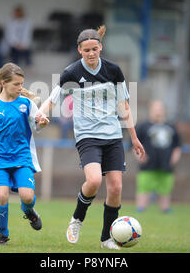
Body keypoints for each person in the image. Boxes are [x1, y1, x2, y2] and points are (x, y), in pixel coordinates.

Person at [38, 25, 145, 250]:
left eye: (94, 49)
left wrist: (134, 138)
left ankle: (106, 238)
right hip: (87, 136)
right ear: (79, 50)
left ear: (101, 47)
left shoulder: (114, 71)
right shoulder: (70, 74)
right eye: (86, 50)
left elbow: (124, 105)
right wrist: (40, 114)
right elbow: (52, 101)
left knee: (115, 188)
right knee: (94, 180)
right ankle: (77, 219)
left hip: (113, 135)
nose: (91, 54)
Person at [0, 62, 49, 245]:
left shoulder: (27, 104)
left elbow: (36, 125)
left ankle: (28, 210)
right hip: (0, 158)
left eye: (21, 84)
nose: (20, 88)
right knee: (1, 196)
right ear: (3, 83)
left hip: (22, 157)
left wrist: (42, 122)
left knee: (27, 196)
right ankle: (2, 233)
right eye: (16, 84)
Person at [134, 100, 182, 214]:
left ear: (164, 111)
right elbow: (134, 145)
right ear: (151, 110)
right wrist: (139, 157)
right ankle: (141, 209)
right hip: (148, 165)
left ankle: (165, 209)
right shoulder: (143, 126)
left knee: (165, 190)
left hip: (166, 165)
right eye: (155, 109)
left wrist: (175, 157)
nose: (158, 111)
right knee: (144, 188)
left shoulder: (171, 127)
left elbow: (177, 145)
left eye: (160, 109)